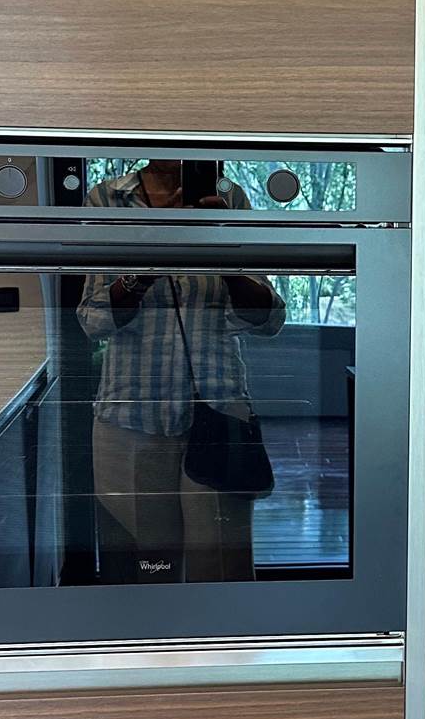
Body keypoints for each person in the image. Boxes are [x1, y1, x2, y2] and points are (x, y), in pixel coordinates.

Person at [75, 160, 285, 582]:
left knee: (222, 569)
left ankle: (221, 631)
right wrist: (147, 265)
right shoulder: (107, 200)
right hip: (133, 413)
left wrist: (220, 251)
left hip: (218, 410)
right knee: (151, 567)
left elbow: (269, 319)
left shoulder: (228, 198)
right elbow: (93, 320)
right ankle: (157, 628)